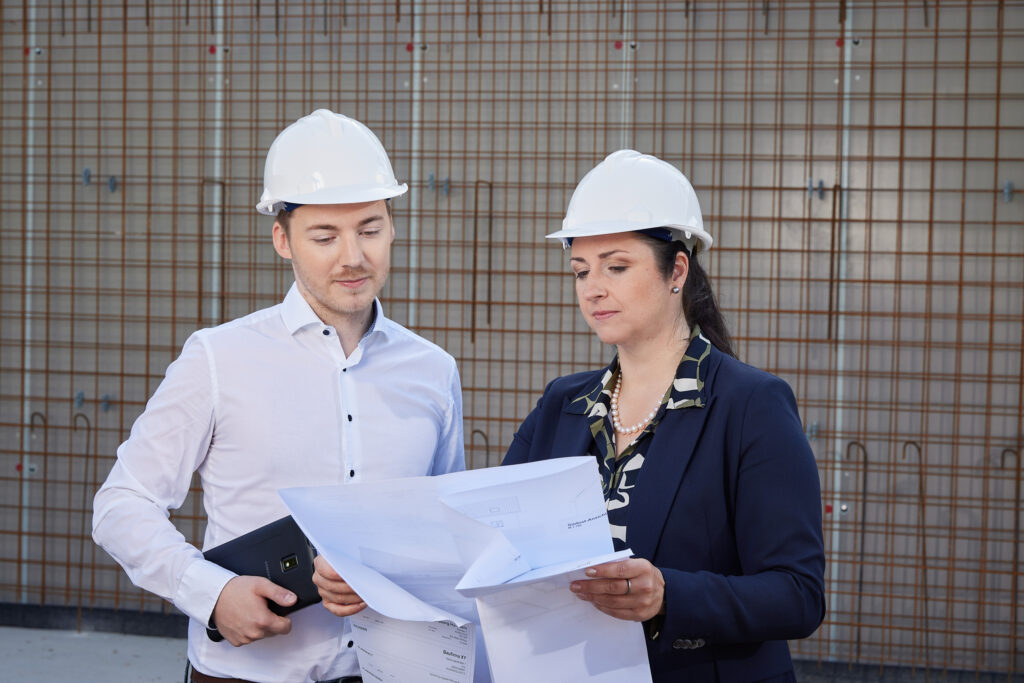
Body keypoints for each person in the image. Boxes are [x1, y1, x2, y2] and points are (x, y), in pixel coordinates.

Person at [92, 109, 465, 683]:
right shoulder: (218, 359)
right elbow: (122, 504)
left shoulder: (432, 372)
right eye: (324, 236)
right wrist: (213, 593)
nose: (353, 257)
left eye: (370, 229)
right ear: (282, 240)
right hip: (247, 674)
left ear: (392, 226)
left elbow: (443, 532)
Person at [502, 150, 826, 682]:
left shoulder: (750, 405)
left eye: (617, 266)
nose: (593, 288)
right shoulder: (562, 405)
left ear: (677, 269)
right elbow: (498, 537)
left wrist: (668, 595)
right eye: (581, 271)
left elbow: (798, 594)